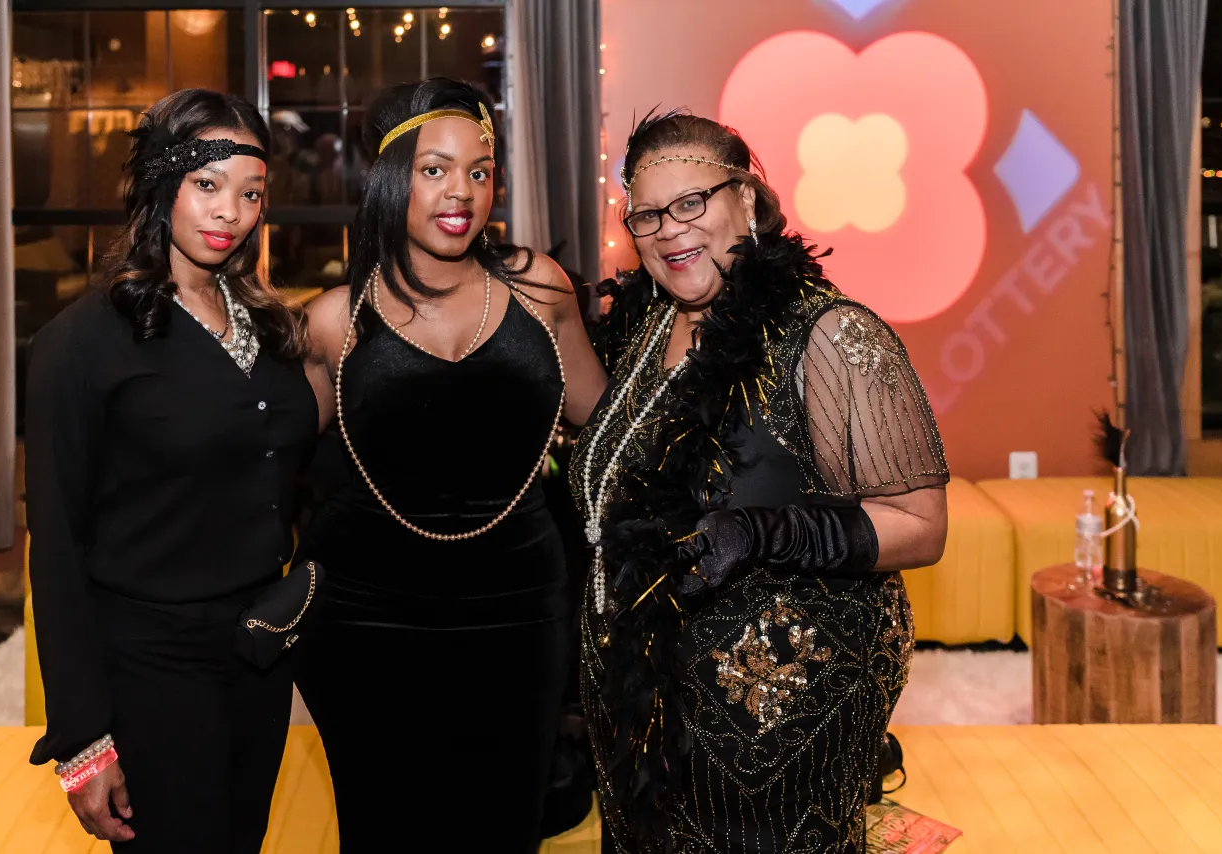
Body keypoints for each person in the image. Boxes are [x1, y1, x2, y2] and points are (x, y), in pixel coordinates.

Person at [571, 110, 950, 853]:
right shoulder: (648, 328)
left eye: (693, 202)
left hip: (774, 739)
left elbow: (922, 523)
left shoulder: (833, 335)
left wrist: (765, 531)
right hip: (643, 723)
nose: (669, 230)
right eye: (646, 214)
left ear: (747, 198)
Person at [295, 77, 607, 851]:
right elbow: (265, 466)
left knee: (504, 824)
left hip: (520, 610)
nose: (461, 191)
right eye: (435, 169)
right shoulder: (336, 320)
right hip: (366, 616)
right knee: (385, 827)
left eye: (479, 169)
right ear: (391, 177)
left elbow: (607, 425)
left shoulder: (541, 288)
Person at [24, 89, 317, 851]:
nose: (232, 212)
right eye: (208, 186)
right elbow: (55, 549)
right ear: (162, 186)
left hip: (258, 661)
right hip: (150, 671)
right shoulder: (82, 345)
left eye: (251, 194)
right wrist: (84, 741)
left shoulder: (271, 327)